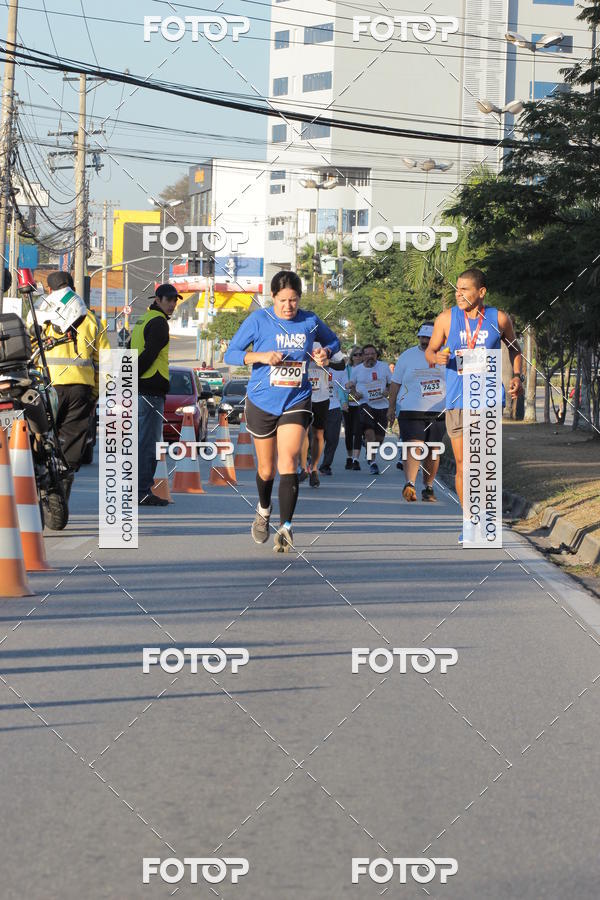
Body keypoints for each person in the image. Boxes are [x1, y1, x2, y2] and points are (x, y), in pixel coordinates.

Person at [224, 270, 341, 551]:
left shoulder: (309, 321)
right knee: (266, 469)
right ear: (273, 297)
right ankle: (264, 510)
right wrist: (261, 356)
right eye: (283, 300)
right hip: (263, 400)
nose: (289, 306)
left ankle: (286, 526)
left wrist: (325, 351)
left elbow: (335, 342)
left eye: (294, 300)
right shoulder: (259, 320)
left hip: (296, 399)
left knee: (288, 461)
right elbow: (231, 353)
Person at [425, 268, 523, 534]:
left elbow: (514, 348)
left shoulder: (499, 319)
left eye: (465, 289)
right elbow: (430, 352)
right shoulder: (447, 319)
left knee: (481, 461)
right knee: (463, 464)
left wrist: (517, 376)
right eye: (457, 289)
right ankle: (469, 519)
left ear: (481, 292)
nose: (459, 294)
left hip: (487, 396)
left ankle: (483, 515)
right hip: (457, 398)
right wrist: (437, 359)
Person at [35, 271, 110, 498]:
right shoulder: (92, 320)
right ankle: (63, 478)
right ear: (73, 290)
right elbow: (106, 363)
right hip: (80, 389)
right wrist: (96, 394)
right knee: (72, 440)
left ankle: (41, 476)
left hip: (48, 388)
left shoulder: (41, 317)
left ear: (49, 291)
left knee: (42, 434)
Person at [130, 283, 181, 507]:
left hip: (141, 389)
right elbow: (149, 355)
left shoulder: (143, 319)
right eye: (168, 300)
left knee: (141, 442)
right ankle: (142, 491)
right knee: (148, 444)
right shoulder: (159, 323)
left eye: (175, 301)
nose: (172, 304)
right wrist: (134, 377)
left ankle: (136, 489)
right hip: (150, 390)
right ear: (158, 300)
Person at [387, 323, 446, 502]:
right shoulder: (407, 356)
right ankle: (410, 484)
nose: (424, 340)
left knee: (433, 450)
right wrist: (391, 408)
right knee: (414, 446)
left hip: (438, 409)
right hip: (410, 408)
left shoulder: (447, 355)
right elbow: (395, 384)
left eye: (429, 337)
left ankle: (428, 487)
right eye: (422, 337)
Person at [300, 341, 345, 487]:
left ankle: (314, 469)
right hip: (302, 395)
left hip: (322, 396)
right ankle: (303, 468)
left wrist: (327, 362)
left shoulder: (327, 343)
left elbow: (342, 364)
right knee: (302, 432)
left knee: (318, 434)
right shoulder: (298, 339)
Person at [347, 344, 391, 475]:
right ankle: (373, 462)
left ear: (376, 355)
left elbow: (391, 383)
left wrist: (387, 391)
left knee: (379, 439)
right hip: (365, 405)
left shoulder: (384, 367)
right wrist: (354, 393)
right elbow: (351, 385)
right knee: (369, 434)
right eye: (367, 354)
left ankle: (368, 448)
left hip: (382, 405)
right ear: (363, 356)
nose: (370, 356)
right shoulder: (357, 370)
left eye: (373, 354)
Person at [319, 363, 348, 476]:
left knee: (332, 439)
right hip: (314, 406)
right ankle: (308, 463)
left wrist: (349, 386)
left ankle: (325, 466)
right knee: (313, 439)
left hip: (333, 407)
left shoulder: (339, 368)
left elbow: (345, 386)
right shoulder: (310, 365)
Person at [343, 346, 363, 470]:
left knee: (358, 431)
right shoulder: (347, 369)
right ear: (351, 357)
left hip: (361, 404)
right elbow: (342, 386)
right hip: (349, 404)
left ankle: (356, 459)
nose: (358, 357)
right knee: (349, 432)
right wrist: (343, 402)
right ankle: (349, 457)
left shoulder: (366, 369)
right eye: (355, 355)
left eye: (361, 354)